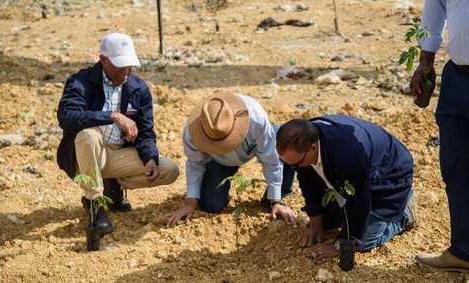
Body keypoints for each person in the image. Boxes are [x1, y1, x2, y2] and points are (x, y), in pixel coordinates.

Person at [56, 33, 179, 251]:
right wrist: (112, 116)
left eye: (129, 65)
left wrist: (149, 157)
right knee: (88, 135)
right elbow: (67, 117)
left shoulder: (138, 88)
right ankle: (96, 208)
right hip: (85, 154)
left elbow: (146, 131)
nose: (126, 72)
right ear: (103, 60)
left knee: (168, 169)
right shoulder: (81, 82)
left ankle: (112, 186)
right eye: (120, 66)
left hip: (117, 155)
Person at [411, 1, 469, 280]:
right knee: (456, 168)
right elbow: (435, 7)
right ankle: (466, 251)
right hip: (457, 78)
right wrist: (425, 61)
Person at [276, 116, 415, 261]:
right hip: (357, 170)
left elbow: (359, 202)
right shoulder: (304, 139)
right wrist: (315, 222)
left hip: (389, 172)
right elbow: (307, 180)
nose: (294, 168)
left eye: (296, 164)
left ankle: (404, 213)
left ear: (313, 148)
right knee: (328, 222)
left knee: (362, 240)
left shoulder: (347, 156)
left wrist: (340, 245)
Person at [166, 93, 296, 226]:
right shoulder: (192, 133)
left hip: (255, 145)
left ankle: (275, 197)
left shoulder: (256, 119)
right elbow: (195, 164)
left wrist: (275, 200)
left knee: (287, 140)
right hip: (219, 161)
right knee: (211, 205)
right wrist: (190, 202)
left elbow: (271, 160)